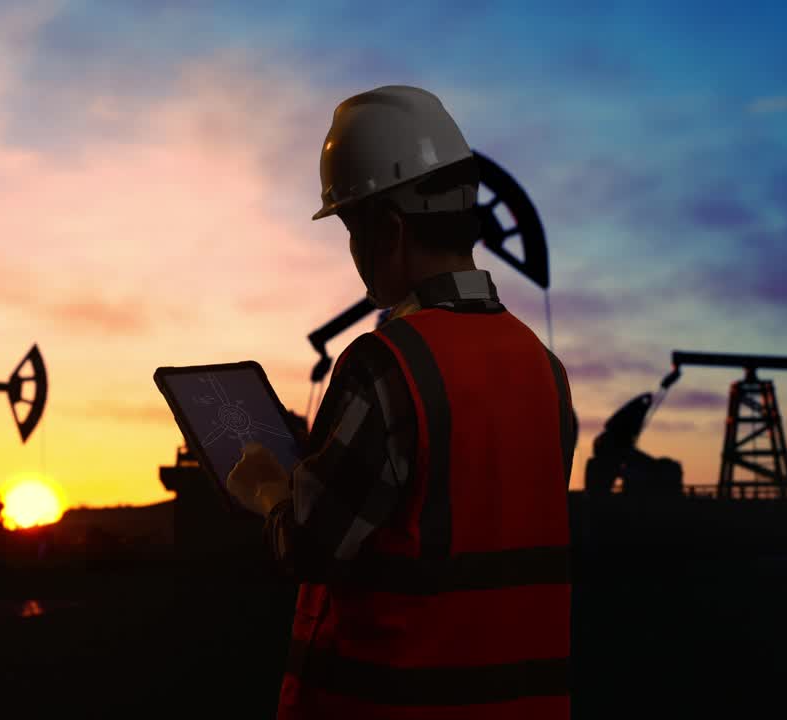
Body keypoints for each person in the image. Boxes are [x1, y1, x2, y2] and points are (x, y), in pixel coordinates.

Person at [227, 85, 578, 719]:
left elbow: (309, 547)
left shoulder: (386, 366)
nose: (354, 255)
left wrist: (266, 490)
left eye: (352, 231)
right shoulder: (544, 371)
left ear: (387, 230)